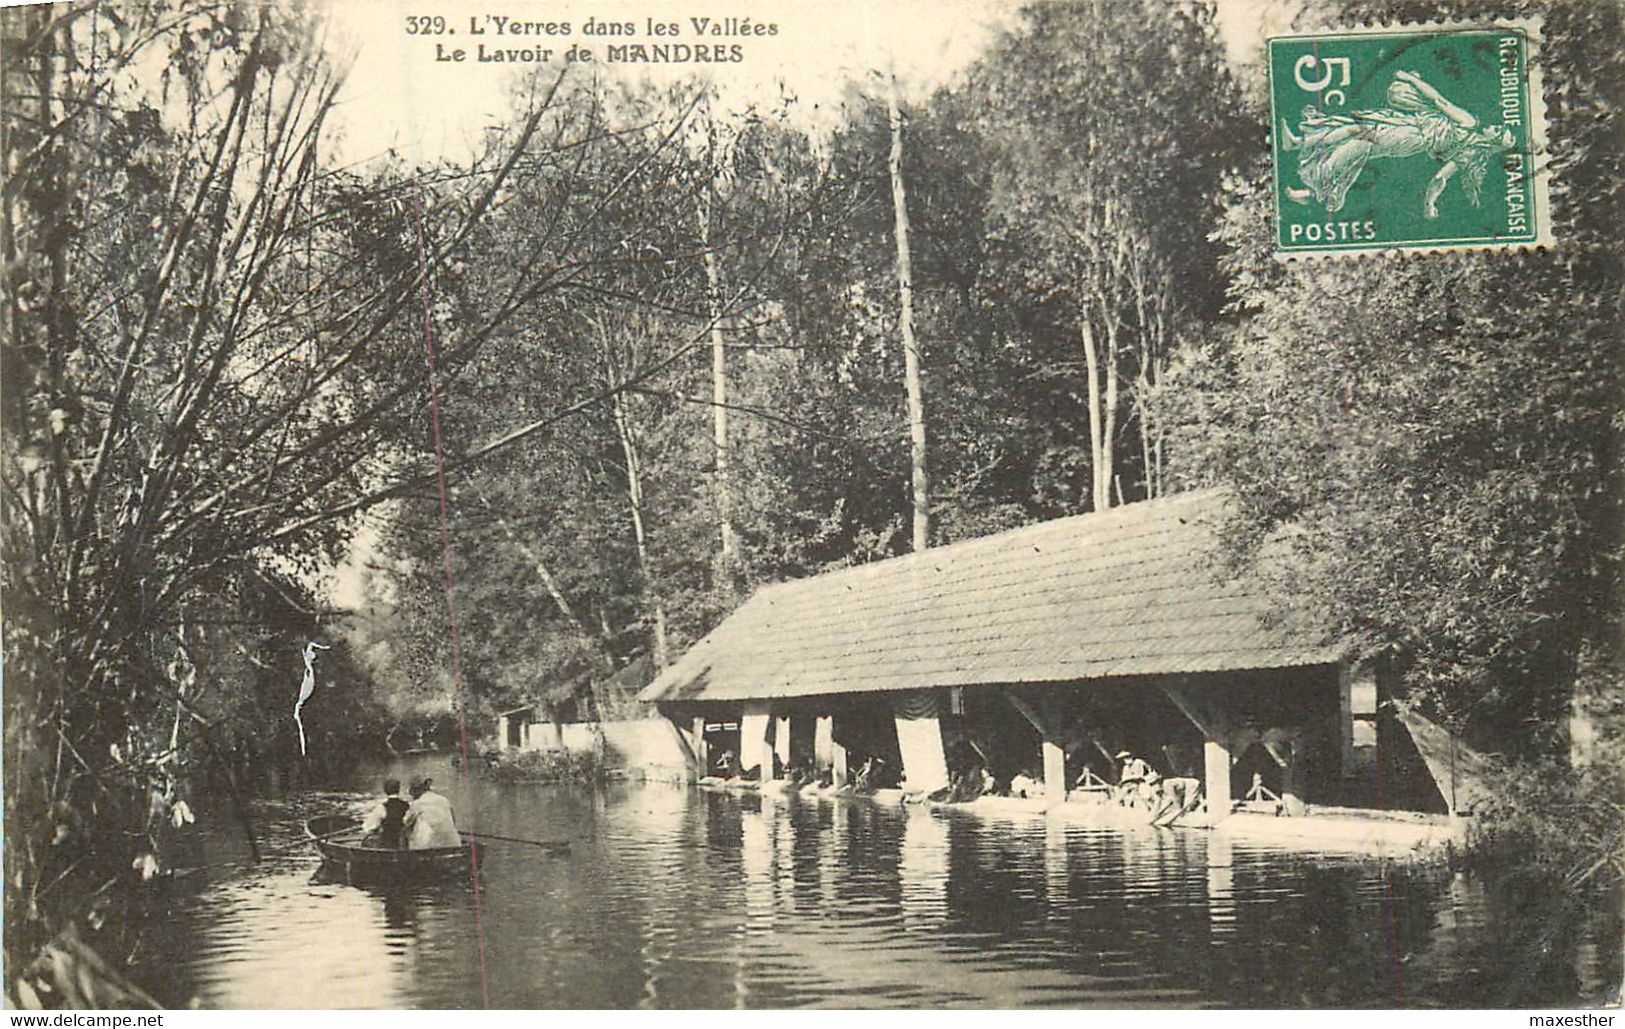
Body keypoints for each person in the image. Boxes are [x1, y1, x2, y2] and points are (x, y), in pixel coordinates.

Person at [1279, 69, 1514, 219]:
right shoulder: (1469, 153)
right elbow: (1439, 179)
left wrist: (1410, 78)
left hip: (1412, 135)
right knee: (1356, 129)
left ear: (1493, 139)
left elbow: (1439, 101)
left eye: (1499, 130)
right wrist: (1429, 204)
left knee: (1360, 141)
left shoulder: (1469, 123)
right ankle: (1301, 146)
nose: (1495, 125)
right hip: (1409, 127)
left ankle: (1314, 185)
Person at [404, 777, 461, 849]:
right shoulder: (444, 800)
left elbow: (406, 824)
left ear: (416, 791)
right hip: (453, 844)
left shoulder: (417, 804)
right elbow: (453, 821)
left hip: (427, 848)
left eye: (412, 792)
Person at [360, 778, 409, 848]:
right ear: (398, 790)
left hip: (387, 844)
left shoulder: (382, 807)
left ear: (385, 791)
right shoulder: (407, 805)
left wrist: (367, 828)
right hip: (403, 844)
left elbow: (370, 826)